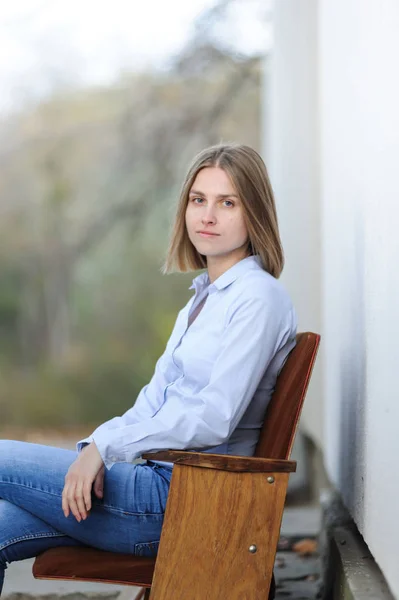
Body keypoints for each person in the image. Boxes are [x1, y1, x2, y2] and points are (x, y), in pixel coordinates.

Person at [0, 143, 297, 595]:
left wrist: (106, 445)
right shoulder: (203, 298)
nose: (207, 216)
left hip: (179, 501)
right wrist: (97, 447)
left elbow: (215, 416)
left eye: (227, 202)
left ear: (254, 213)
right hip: (149, 486)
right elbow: (152, 401)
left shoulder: (257, 298)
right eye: (198, 200)